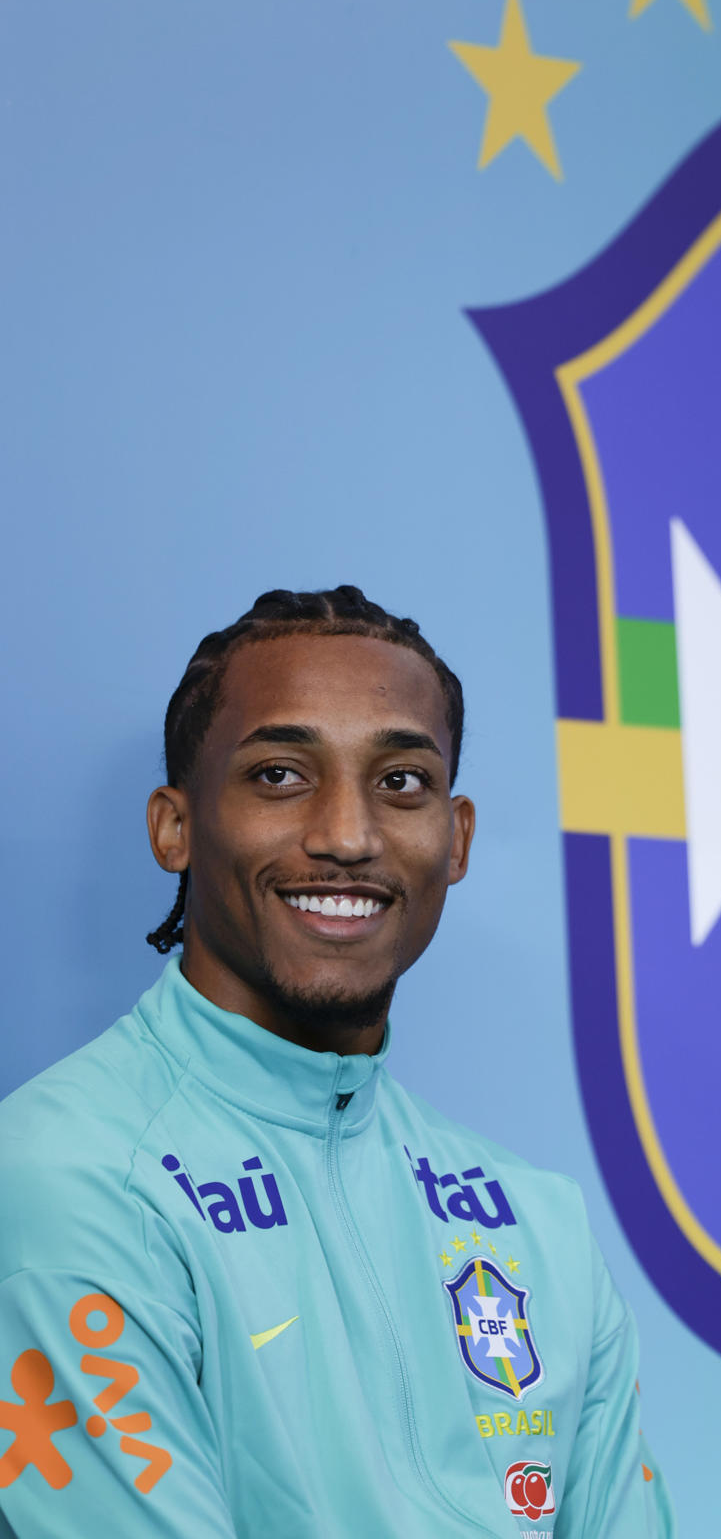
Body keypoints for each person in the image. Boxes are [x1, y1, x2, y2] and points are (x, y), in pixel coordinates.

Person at [0, 586, 674, 1537]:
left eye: (401, 783)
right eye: (280, 774)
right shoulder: (65, 1179)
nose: (348, 836)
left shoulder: (539, 1222)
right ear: (175, 826)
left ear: (458, 839)